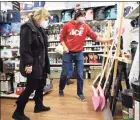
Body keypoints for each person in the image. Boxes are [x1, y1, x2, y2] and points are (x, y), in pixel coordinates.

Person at [59, 8, 113, 101]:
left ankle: (80, 93)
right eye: (82, 16)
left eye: (84, 16)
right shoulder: (67, 25)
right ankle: (61, 89)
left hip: (79, 53)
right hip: (68, 53)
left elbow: (95, 37)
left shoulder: (85, 26)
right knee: (64, 73)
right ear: (77, 16)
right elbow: (61, 39)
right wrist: (64, 47)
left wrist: (107, 41)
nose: (84, 18)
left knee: (80, 74)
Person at [12, 8, 51, 120]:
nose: (46, 21)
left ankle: (38, 106)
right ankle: (18, 112)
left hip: (41, 63)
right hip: (33, 64)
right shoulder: (28, 28)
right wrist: (28, 64)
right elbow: (25, 48)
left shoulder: (39, 28)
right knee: (31, 87)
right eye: (45, 18)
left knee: (41, 84)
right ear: (39, 17)